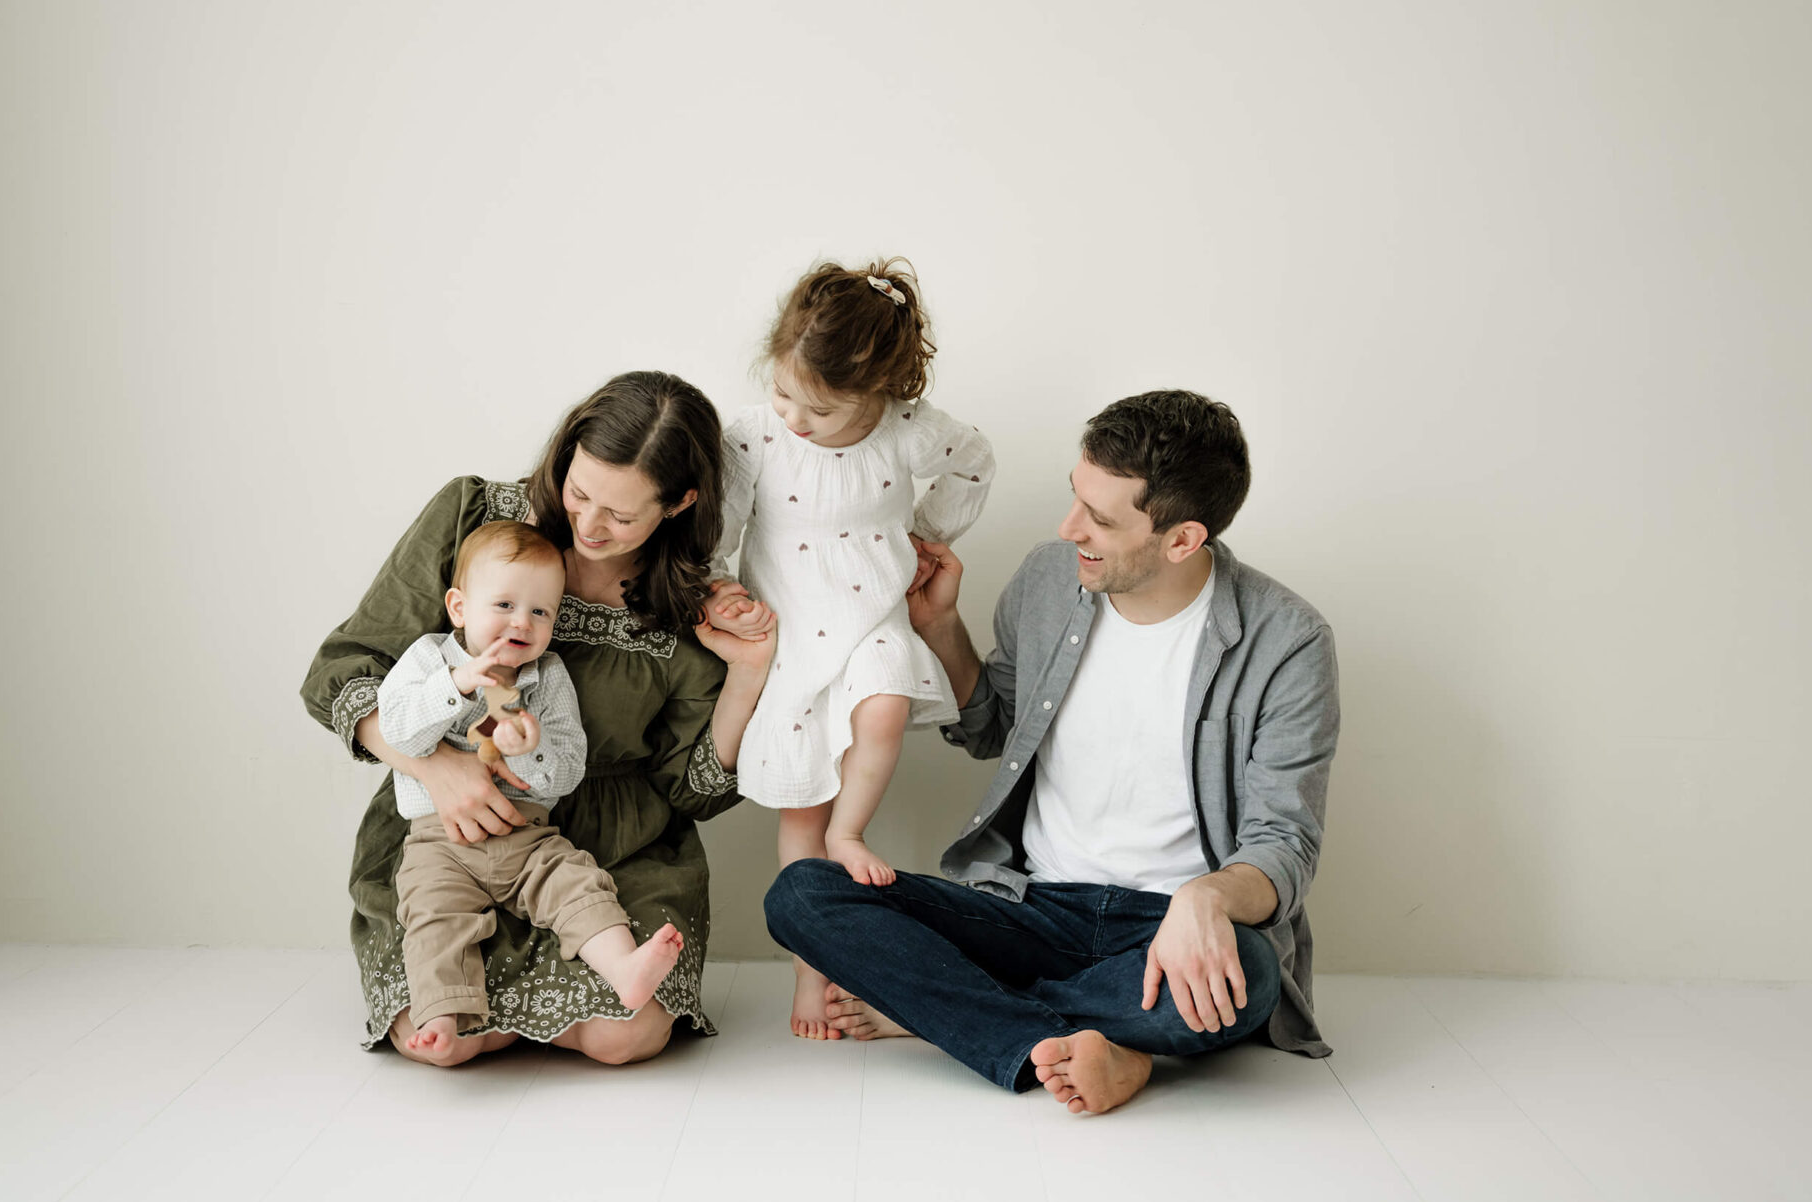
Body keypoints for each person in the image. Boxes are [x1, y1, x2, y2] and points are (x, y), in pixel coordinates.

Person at [764, 388, 1340, 1113]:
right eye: (1077, 498)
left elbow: (1284, 843)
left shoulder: (1288, 642)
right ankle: (1118, 1049)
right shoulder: (1047, 579)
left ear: (1183, 539)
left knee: (1249, 973)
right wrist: (942, 628)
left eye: (1100, 519)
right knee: (803, 892)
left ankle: (954, 1013)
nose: (1071, 528)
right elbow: (994, 731)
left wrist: (1207, 896)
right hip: (1030, 908)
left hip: (1165, 932)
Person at [302, 370, 774, 1068]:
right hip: (451, 831)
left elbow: (693, 788)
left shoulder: (685, 602)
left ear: (679, 504)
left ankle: (550, 1006)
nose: (587, 525)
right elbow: (341, 672)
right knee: (445, 1039)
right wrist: (437, 768)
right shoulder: (474, 515)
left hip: (615, 852)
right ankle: (506, 1012)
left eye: (621, 514)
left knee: (626, 1034)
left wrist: (750, 671)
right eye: (579, 493)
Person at [705, 258, 996, 1040]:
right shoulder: (754, 434)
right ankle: (813, 974)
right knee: (803, 806)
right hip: (795, 631)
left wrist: (928, 534)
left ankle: (852, 828)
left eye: (820, 409)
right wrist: (717, 585)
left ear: (879, 394)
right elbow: (721, 524)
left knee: (887, 702)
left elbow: (974, 461)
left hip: (871, 616)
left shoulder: (910, 430)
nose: (795, 418)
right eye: (784, 394)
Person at [378, 520, 687, 1063]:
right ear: (459, 608)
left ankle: (624, 968)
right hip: (439, 843)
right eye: (503, 605)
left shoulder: (548, 676)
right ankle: (443, 1019)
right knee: (432, 917)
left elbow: (567, 770)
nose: (521, 621)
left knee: (579, 883)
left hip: (528, 837)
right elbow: (399, 728)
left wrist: (530, 745)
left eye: (541, 612)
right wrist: (459, 685)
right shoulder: (429, 660)